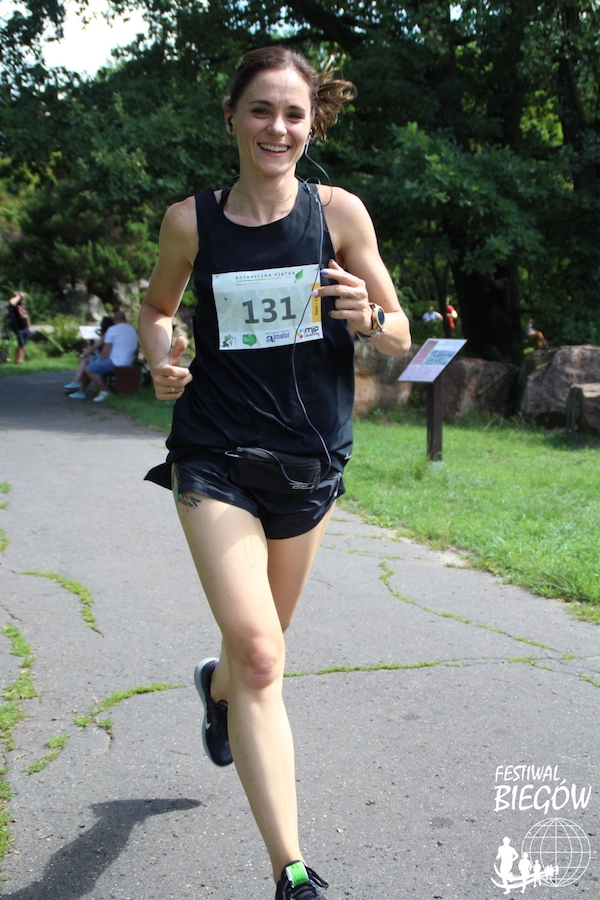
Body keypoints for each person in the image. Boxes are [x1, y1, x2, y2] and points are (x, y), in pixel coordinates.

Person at [139, 46, 411, 900]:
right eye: (261, 109)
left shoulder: (339, 214)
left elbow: (401, 331)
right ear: (232, 118)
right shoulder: (191, 222)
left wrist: (370, 318)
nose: (278, 128)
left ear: (312, 123)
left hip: (309, 463)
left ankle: (213, 689)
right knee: (261, 656)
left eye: (294, 113)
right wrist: (160, 358)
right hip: (213, 454)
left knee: (252, 654)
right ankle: (292, 871)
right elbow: (156, 308)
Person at [68, 309, 138, 401]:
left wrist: (99, 361)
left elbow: (106, 351)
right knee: (90, 363)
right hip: (129, 362)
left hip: (115, 363)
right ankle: (80, 390)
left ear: (114, 320)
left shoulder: (112, 330)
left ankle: (104, 391)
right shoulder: (132, 330)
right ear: (125, 319)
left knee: (90, 368)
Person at [64, 315, 114, 391]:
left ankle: (77, 383)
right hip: (105, 357)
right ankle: (79, 388)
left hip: (104, 358)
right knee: (86, 363)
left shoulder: (106, 334)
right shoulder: (111, 333)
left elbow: (95, 346)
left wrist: (83, 354)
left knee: (85, 361)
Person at [7, 291, 32, 363]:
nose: (24, 297)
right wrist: (18, 296)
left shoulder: (23, 304)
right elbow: (11, 302)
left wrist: (29, 326)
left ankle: (20, 359)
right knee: (21, 343)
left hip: (25, 327)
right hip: (18, 327)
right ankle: (18, 360)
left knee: (23, 345)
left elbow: (26, 315)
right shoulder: (14, 305)